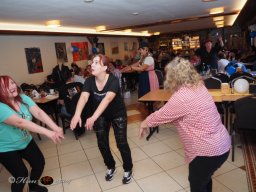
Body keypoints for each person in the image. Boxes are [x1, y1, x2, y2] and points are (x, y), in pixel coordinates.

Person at [139, 57, 231, 192]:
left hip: (206, 150)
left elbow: (162, 114)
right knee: (205, 178)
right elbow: (179, 114)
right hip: (222, 144)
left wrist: (144, 123)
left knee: (197, 184)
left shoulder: (182, 97)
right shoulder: (199, 86)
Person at [70, 54, 133, 184]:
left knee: (121, 143)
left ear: (104, 67)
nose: (92, 65)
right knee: (102, 143)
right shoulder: (89, 81)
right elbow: (83, 97)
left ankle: (128, 168)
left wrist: (93, 117)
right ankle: (110, 166)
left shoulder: (113, 80)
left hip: (117, 113)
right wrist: (77, 115)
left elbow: (107, 99)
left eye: (96, 63)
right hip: (101, 115)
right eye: (92, 62)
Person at [0, 75, 64, 192]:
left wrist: (55, 127)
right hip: (6, 147)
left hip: (25, 140)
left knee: (39, 164)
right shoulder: (1, 106)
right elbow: (20, 122)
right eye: (6, 86)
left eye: (12, 83)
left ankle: (33, 187)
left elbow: (38, 112)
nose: (12, 86)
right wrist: (48, 133)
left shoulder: (22, 98)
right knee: (21, 175)